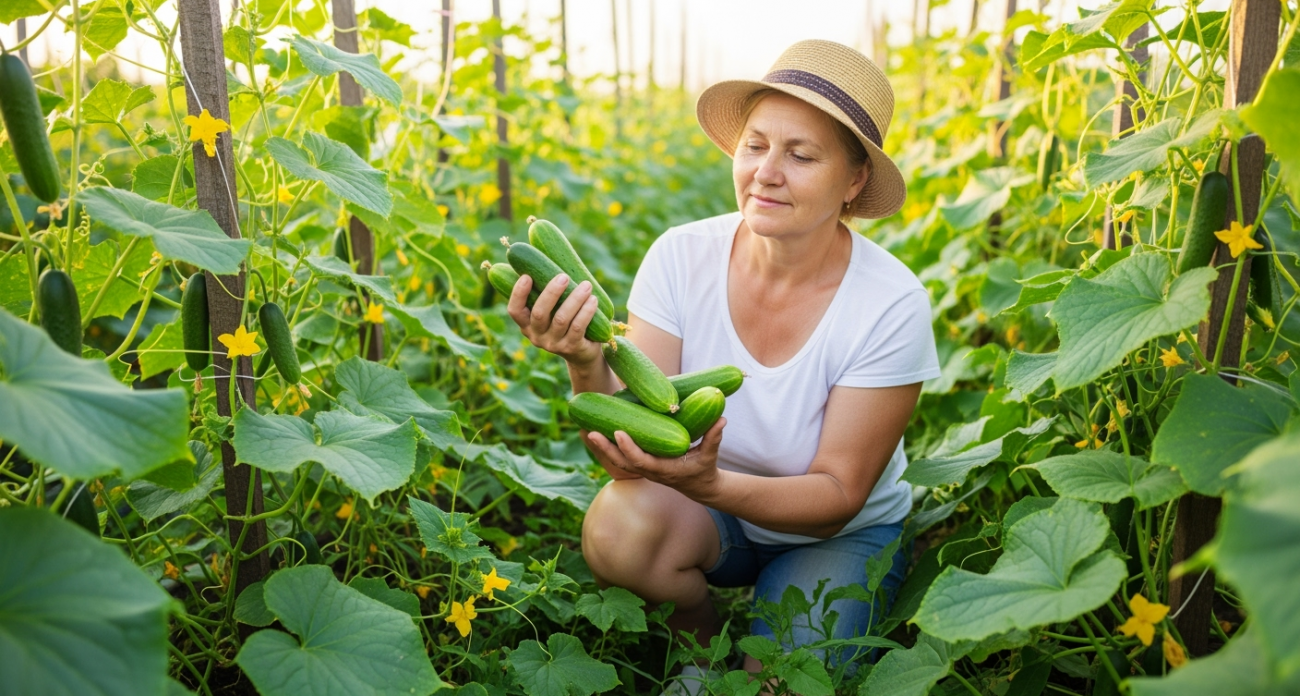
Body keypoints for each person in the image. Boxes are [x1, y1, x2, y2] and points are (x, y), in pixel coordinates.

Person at [505, 39, 940, 688]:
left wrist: (708, 483)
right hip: (708, 516)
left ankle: (774, 635)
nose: (766, 171)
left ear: (853, 181)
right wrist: (583, 359)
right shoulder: (682, 256)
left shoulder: (891, 302)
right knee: (620, 527)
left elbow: (836, 497)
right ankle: (699, 653)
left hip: (834, 536)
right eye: (756, 144)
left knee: (782, 682)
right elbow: (626, 448)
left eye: (801, 154)